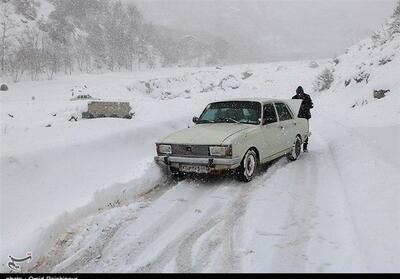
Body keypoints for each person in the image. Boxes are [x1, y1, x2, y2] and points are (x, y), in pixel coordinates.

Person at [292, 86, 313, 152]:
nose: (299, 94)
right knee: (297, 132)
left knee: (305, 132)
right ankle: (297, 147)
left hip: (305, 117)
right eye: (298, 93)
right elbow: (291, 107)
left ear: (302, 92)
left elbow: (311, 105)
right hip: (297, 117)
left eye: (300, 93)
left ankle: (305, 147)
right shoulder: (294, 98)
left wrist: (305, 106)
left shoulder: (307, 97)